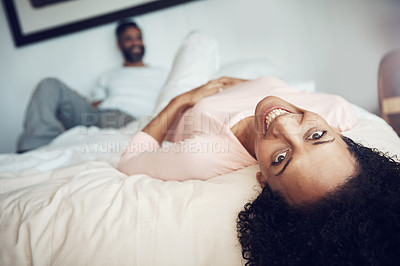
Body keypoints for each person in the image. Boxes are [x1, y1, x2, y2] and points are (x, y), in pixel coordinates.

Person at [118, 32, 400, 264]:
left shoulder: (203, 156)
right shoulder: (337, 110)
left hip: (184, 103)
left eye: (280, 158)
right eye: (316, 135)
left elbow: (130, 159)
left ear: (263, 179)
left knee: (199, 40)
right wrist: (244, 85)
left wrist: (182, 100)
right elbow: (291, 95)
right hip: (227, 84)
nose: (284, 123)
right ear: (340, 133)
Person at [17, 21, 167, 153]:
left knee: (110, 120)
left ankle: (58, 142)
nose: (135, 43)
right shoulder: (107, 75)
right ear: (119, 45)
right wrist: (77, 97)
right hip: (96, 115)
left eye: (138, 38)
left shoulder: (161, 73)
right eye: (129, 39)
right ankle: (35, 146)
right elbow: (95, 105)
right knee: (49, 84)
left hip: (128, 119)